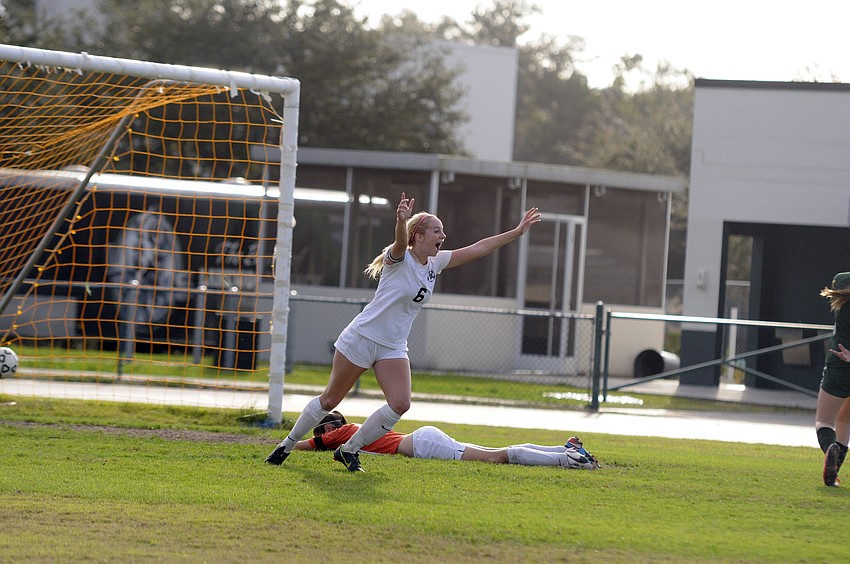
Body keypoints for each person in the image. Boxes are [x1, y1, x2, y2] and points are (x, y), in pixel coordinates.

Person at [266, 193, 542, 471]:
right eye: (437, 230)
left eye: (443, 231)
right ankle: (286, 446)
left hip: (393, 345)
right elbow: (400, 241)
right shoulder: (398, 256)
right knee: (329, 400)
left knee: (400, 403)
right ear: (419, 236)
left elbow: (479, 248)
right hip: (362, 337)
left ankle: (349, 450)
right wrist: (400, 220)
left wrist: (517, 232)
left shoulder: (435, 263)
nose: (443, 235)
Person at [292, 411, 600, 470]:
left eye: (324, 432)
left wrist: (286, 444)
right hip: (423, 439)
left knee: (495, 457)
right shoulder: (355, 432)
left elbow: (304, 446)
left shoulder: (344, 435)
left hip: (423, 444)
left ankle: (566, 459)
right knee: (494, 452)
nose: (323, 437)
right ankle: (566, 449)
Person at [816, 272, 850, 487]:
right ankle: (833, 474)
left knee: (824, 421)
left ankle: (830, 447)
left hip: (839, 363)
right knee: (845, 421)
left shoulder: (842, 306)